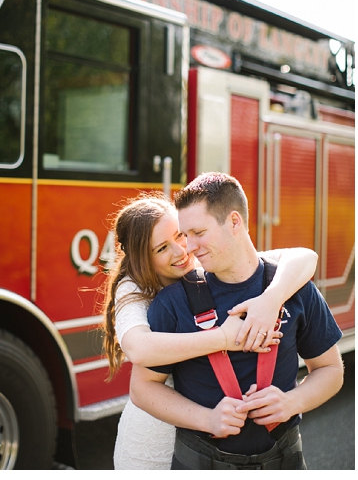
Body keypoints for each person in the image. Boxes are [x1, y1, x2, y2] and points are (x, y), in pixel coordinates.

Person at [130, 173, 344, 469]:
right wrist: (207, 419)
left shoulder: (295, 288)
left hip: (284, 459)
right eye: (184, 234)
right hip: (199, 462)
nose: (189, 247)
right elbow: (142, 388)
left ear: (234, 222)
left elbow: (331, 369)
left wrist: (293, 402)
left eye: (198, 232)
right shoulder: (173, 302)